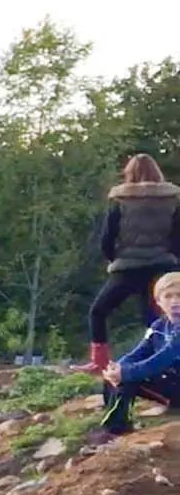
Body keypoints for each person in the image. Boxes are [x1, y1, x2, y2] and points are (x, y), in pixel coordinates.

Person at [85, 153, 180, 371]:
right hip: (161, 266)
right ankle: (167, 362)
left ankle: (99, 362)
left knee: (98, 311)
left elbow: (107, 238)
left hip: (127, 267)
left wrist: (114, 259)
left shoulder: (121, 200)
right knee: (158, 318)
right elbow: (177, 236)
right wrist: (172, 261)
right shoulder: (172, 200)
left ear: (129, 174)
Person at [94, 271, 180, 442]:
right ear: (159, 302)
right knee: (115, 375)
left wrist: (125, 373)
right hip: (172, 381)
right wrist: (117, 368)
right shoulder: (159, 325)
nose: (175, 301)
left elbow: (163, 358)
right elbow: (139, 353)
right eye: (168, 296)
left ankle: (116, 431)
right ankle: (114, 420)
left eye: (179, 295)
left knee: (127, 378)